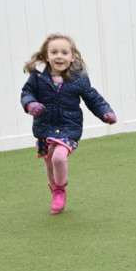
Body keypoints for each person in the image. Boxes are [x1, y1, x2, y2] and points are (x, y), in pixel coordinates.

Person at [21, 33, 116, 215]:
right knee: (49, 163)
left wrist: (105, 112)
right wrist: (30, 104)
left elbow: (93, 98)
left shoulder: (78, 78)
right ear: (46, 56)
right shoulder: (38, 76)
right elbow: (27, 93)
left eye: (64, 53)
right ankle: (55, 189)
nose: (59, 56)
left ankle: (59, 190)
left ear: (72, 57)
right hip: (44, 128)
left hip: (68, 128)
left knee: (59, 157)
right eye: (54, 52)